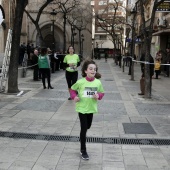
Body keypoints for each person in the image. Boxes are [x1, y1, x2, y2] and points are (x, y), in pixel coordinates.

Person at [70, 59, 104, 160]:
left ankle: (82, 137)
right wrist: (74, 97)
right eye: (90, 69)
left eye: (94, 69)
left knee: (88, 126)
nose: (93, 71)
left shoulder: (98, 82)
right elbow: (72, 89)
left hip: (91, 108)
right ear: (85, 71)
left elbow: (102, 93)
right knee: (84, 129)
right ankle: (83, 150)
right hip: (81, 108)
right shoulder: (80, 82)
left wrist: (98, 95)